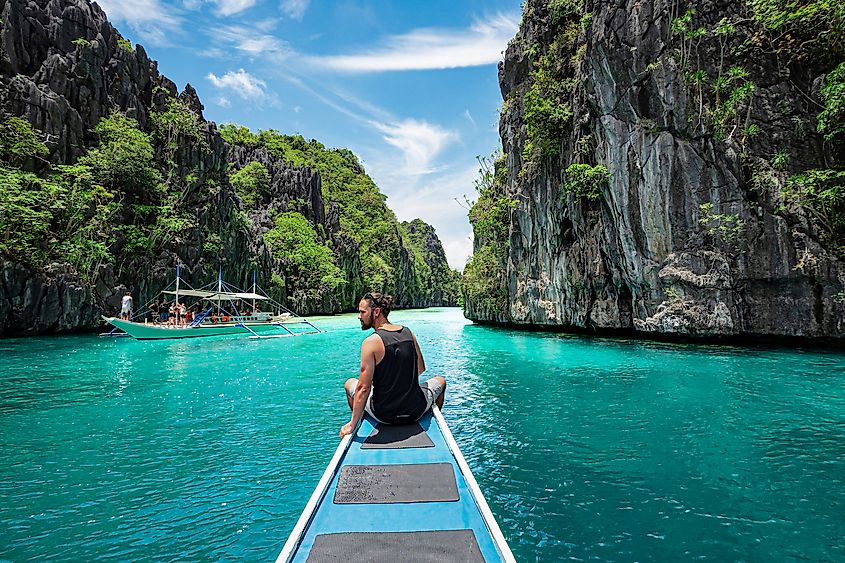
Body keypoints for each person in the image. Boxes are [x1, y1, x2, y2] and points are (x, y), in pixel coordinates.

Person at [341, 292, 446, 438]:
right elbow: (420, 369)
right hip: (415, 411)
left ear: (376, 312)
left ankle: (358, 421)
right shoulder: (408, 333)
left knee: (349, 384)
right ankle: (431, 421)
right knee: (441, 381)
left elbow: (363, 388)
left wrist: (351, 425)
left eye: (362, 312)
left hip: (384, 415)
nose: (359, 316)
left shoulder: (370, 342)